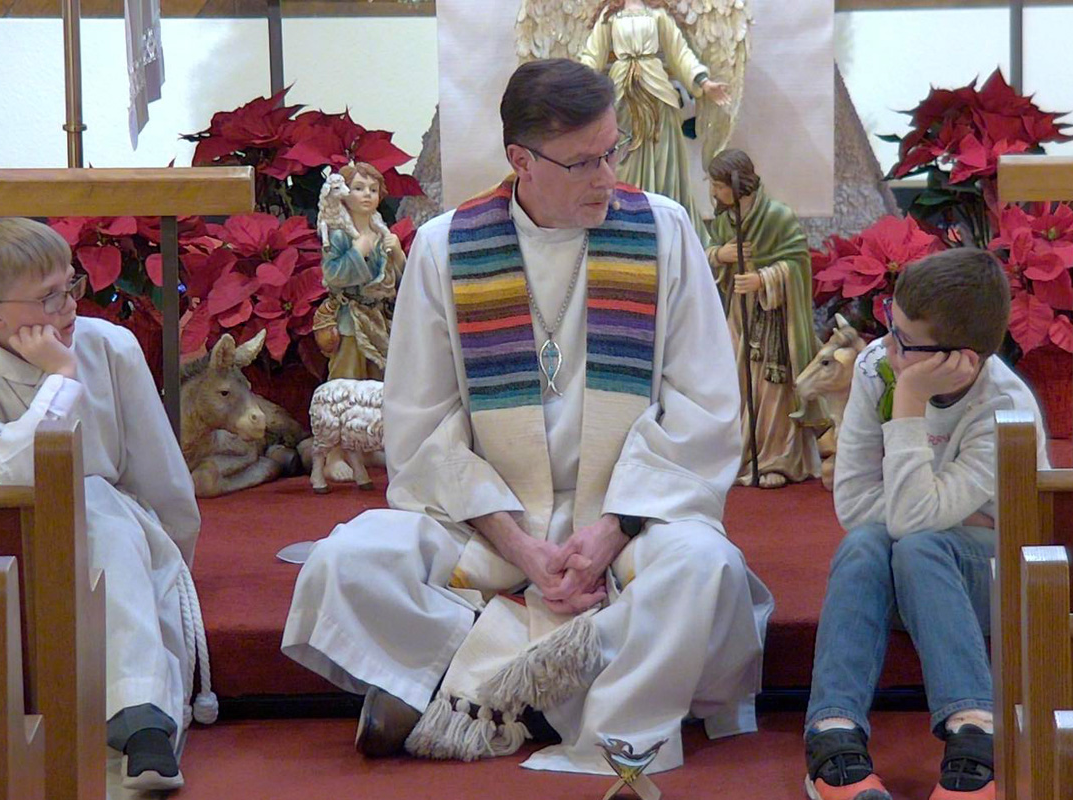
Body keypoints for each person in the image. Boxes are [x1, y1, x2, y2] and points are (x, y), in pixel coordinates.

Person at [282, 58, 772, 776]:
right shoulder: (449, 249)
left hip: (629, 529)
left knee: (707, 571)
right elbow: (422, 425)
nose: (608, 176)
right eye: (584, 162)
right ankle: (557, 681)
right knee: (340, 566)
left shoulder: (662, 233)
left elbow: (704, 407)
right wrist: (522, 548)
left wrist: (609, 530)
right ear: (521, 160)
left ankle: (460, 683)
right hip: (489, 529)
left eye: (614, 149)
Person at [0, 218, 202, 793]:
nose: (69, 307)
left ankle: (140, 719)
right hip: (6, 532)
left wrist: (174, 565)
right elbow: (20, 469)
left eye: (70, 286)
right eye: (48, 298)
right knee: (4, 485)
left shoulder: (112, 345)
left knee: (96, 500)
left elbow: (159, 472)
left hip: (108, 534)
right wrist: (62, 378)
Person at [803, 248, 1047, 800]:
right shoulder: (876, 370)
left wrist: (909, 403)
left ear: (958, 357)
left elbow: (912, 520)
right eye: (891, 327)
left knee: (919, 547)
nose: (887, 349)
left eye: (904, 343)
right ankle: (832, 733)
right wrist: (952, 508)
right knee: (867, 544)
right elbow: (855, 505)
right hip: (913, 560)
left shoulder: (1004, 408)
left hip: (990, 580)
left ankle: (976, 733)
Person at [705, 149, 826, 488]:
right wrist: (719, 254)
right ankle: (739, 456)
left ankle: (775, 459)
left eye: (718, 185)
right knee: (732, 383)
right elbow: (705, 254)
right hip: (736, 316)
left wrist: (764, 279)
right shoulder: (724, 221)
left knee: (770, 391)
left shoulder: (778, 217)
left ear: (736, 183)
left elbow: (799, 264)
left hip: (773, 321)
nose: (714, 194)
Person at [577, 0, 732, 242]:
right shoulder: (610, 17)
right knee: (622, 155)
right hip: (622, 96)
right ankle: (626, 223)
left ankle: (667, 227)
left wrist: (704, 82)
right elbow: (591, 56)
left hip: (658, 94)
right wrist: (570, 86)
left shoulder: (658, 15)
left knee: (664, 159)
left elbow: (679, 53)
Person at [312, 161, 406, 381]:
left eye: (373, 190)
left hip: (379, 320)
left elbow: (400, 282)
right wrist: (356, 253)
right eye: (359, 188)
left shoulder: (382, 234)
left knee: (380, 378)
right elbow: (332, 274)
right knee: (347, 376)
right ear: (344, 194)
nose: (367, 195)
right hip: (350, 322)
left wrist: (399, 256)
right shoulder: (338, 235)